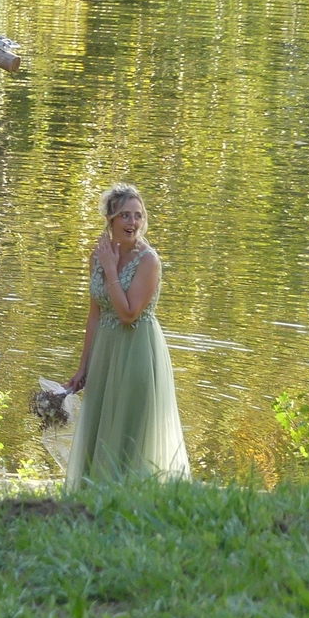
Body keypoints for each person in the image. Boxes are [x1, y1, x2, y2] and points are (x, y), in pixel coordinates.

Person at [63, 183, 190, 490]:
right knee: (101, 424)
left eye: (138, 215)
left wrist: (110, 270)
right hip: (106, 351)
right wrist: (84, 367)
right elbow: (95, 314)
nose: (133, 223)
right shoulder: (97, 256)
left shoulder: (148, 261)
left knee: (130, 428)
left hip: (137, 352)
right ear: (110, 220)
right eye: (125, 216)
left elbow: (128, 313)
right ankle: (95, 497)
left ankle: (135, 498)